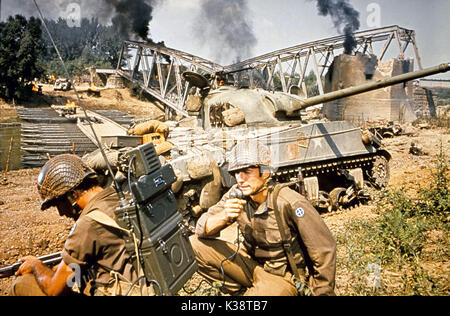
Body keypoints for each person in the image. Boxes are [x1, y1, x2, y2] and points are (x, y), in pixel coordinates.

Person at [191, 139, 337, 296]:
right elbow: (201, 227)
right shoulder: (236, 194)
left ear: (265, 172)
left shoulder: (289, 202)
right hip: (253, 268)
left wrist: (320, 293)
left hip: (284, 279)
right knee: (194, 245)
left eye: (247, 172)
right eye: (236, 173)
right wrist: (224, 216)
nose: (240, 179)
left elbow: (324, 251)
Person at [10, 154, 149, 296]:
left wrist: (36, 266)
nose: (60, 213)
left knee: (22, 284)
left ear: (72, 195)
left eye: (58, 204)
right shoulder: (119, 198)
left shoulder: (88, 224)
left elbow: (54, 289)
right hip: (143, 285)